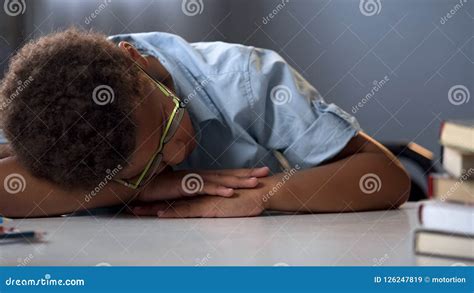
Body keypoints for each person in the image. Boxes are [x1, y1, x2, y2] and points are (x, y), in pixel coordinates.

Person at [0, 29, 410, 218]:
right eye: (153, 162)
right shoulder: (49, 121)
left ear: (136, 60)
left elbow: (387, 177)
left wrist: (261, 195)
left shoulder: (245, 79)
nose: (179, 153)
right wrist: (141, 190)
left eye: (167, 121)